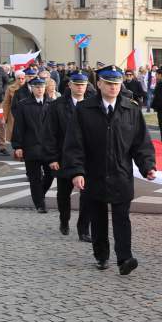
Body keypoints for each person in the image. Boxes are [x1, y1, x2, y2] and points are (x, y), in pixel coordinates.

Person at [61, 66, 157, 273]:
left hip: (121, 172)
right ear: (100, 84)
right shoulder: (84, 109)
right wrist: (77, 171)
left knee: (122, 217)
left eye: (117, 83)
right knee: (98, 217)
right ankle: (101, 255)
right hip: (93, 172)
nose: (114, 87)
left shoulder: (130, 109)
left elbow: (141, 142)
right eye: (109, 83)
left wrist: (147, 165)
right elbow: (74, 143)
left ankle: (124, 258)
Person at [44, 71, 93, 240]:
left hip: (86, 159)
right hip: (64, 158)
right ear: (69, 85)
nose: (80, 88)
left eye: (83, 85)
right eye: (77, 84)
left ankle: (83, 229)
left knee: (87, 196)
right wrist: (52, 158)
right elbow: (50, 133)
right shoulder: (57, 106)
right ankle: (64, 220)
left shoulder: (92, 105)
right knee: (63, 194)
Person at [12, 75, 55, 214]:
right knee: (34, 177)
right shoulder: (24, 104)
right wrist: (18, 146)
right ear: (32, 88)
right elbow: (18, 126)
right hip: (31, 146)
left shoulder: (52, 103)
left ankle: (38, 195)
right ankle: (40, 204)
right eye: (37, 87)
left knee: (50, 174)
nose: (40, 89)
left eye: (42, 87)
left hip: (48, 148)